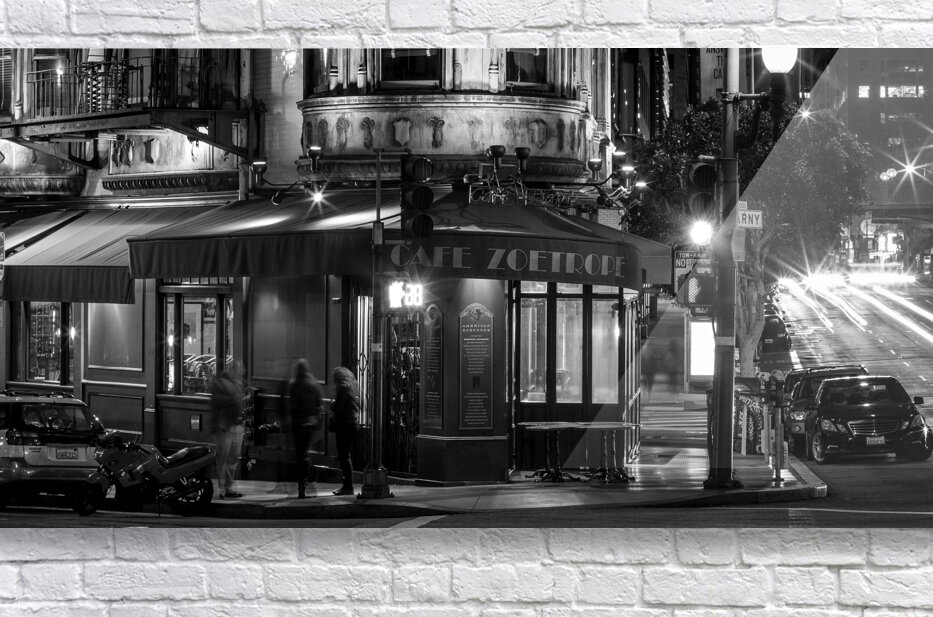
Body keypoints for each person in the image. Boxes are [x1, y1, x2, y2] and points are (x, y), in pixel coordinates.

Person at [287, 359, 323, 499]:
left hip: (297, 423)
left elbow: (291, 405)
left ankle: (301, 484)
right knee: (305, 452)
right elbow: (319, 405)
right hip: (310, 423)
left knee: (299, 454)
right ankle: (305, 479)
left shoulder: (293, 385)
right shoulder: (314, 385)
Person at [209, 363, 245, 499]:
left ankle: (229, 487)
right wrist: (233, 400)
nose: (241, 372)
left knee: (234, 457)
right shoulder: (219, 384)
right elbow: (217, 401)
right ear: (231, 370)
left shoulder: (238, 384)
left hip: (235, 425)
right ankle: (222, 488)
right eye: (239, 369)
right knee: (223, 458)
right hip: (223, 426)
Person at [330, 366, 360, 496]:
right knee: (345, 455)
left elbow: (338, 407)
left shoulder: (342, 389)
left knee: (345, 456)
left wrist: (332, 404)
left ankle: (348, 486)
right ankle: (347, 485)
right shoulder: (351, 388)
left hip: (344, 424)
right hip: (351, 423)